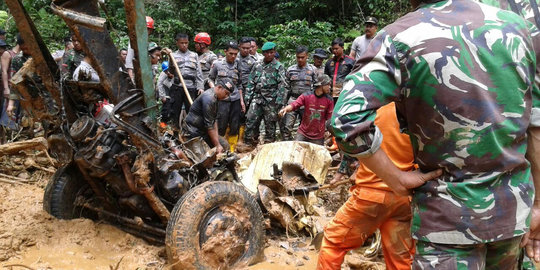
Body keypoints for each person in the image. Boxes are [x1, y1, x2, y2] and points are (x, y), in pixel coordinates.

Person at [329, 0, 540, 268]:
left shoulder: (399, 36)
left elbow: (346, 119)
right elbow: (535, 122)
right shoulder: (518, 29)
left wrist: (395, 178)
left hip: (445, 223)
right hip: (511, 216)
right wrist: (537, 206)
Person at [318, 103, 415, 270]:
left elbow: (349, 139)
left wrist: (344, 171)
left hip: (371, 195)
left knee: (332, 242)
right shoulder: (417, 109)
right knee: (401, 258)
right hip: (404, 198)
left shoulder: (372, 105)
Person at [237, 41, 286, 151]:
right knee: (250, 119)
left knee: (270, 124)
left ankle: (269, 145)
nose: (269, 55)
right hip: (257, 98)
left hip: (271, 100)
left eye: (272, 52)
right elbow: (251, 82)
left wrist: (279, 102)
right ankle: (249, 143)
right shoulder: (257, 65)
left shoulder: (279, 67)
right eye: (267, 53)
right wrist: (247, 99)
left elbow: (282, 86)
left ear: (274, 52)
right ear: (263, 53)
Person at [208, 41, 243, 151]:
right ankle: (221, 148)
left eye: (235, 54)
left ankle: (232, 149)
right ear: (225, 52)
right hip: (222, 99)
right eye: (231, 53)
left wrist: (241, 101)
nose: (233, 56)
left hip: (235, 99)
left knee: (234, 124)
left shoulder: (238, 64)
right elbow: (210, 78)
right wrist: (214, 91)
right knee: (221, 124)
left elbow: (240, 84)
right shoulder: (217, 64)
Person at [278, 74, 333, 145]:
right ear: (321, 85)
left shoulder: (329, 100)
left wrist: (328, 131)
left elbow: (329, 118)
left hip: (318, 136)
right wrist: (285, 109)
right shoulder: (306, 96)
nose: (330, 87)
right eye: (328, 85)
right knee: (296, 150)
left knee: (315, 155)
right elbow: (294, 104)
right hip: (303, 133)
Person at [182, 77, 232, 154]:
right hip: (192, 132)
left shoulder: (216, 98)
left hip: (203, 132)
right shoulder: (209, 98)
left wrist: (217, 141)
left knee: (225, 146)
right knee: (204, 158)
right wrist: (217, 145)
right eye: (226, 93)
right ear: (219, 87)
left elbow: (214, 121)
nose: (226, 97)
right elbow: (209, 126)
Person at [280, 46, 318, 141]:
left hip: (307, 102)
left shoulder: (313, 70)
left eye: (302, 57)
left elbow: (317, 87)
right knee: (287, 127)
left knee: (307, 127)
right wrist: (283, 104)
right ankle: (287, 145)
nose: (300, 60)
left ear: (307, 56)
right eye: (298, 57)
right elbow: (286, 87)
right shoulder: (290, 69)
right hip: (293, 100)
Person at [170, 33, 204, 126]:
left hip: (190, 87)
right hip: (177, 87)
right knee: (175, 111)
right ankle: (175, 131)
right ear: (177, 43)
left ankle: (190, 131)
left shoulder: (194, 55)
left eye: (186, 43)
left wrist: (200, 87)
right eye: (182, 43)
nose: (184, 45)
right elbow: (170, 71)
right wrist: (170, 59)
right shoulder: (173, 55)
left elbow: (199, 73)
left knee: (191, 110)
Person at [237, 37, 258, 145]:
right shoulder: (234, 57)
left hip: (248, 92)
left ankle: (242, 139)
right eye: (244, 48)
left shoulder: (253, 61)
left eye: (248, 48)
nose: (246, 50)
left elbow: (255, 78)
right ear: (239, 46)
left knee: (245, 115)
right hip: (233, 90)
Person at [125, 16, 154, 82]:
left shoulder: (147, 43)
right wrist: (131, 76)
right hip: (136, 74)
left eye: (149, 29)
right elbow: (129, 59)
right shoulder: (134, 41)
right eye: (145, 29)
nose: (147, 31)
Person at [324, 38, 354, 102]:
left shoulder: (350, 61)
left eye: (336, 49)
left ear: (342, 48)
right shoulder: (329, 62)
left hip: (344, 95)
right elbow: (326, 77)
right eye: (333, 49)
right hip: (330, 95)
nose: (334, 51)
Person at [157, 61, 175, 126]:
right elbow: (159, 83)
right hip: (167, 92)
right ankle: (162, 126)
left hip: (176, 91)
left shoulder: (177, 71)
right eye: (166, 71)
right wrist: (162, 96)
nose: (168, 73)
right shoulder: (163, 74)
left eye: (168, 70)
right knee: (166, 111)